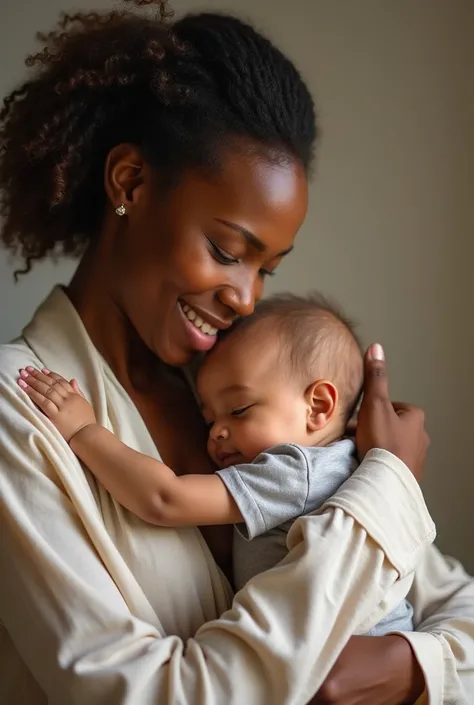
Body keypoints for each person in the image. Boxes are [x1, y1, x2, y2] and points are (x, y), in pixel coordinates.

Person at [0, 1, 472, 703]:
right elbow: (148, 693)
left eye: (267, 269)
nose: (247, 299)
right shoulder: (20, 410)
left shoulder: (258, 391)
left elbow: (456, 608)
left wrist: (409, 668)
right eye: (226, 250)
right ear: (129, 182)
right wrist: (389, 483)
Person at [17, 291, 415, 638]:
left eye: (239, 410)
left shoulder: (295, 471)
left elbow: (165, 498)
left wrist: (84, 430)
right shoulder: (343, 460)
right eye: (210, 419)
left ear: (318, 407)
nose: (217, 433)